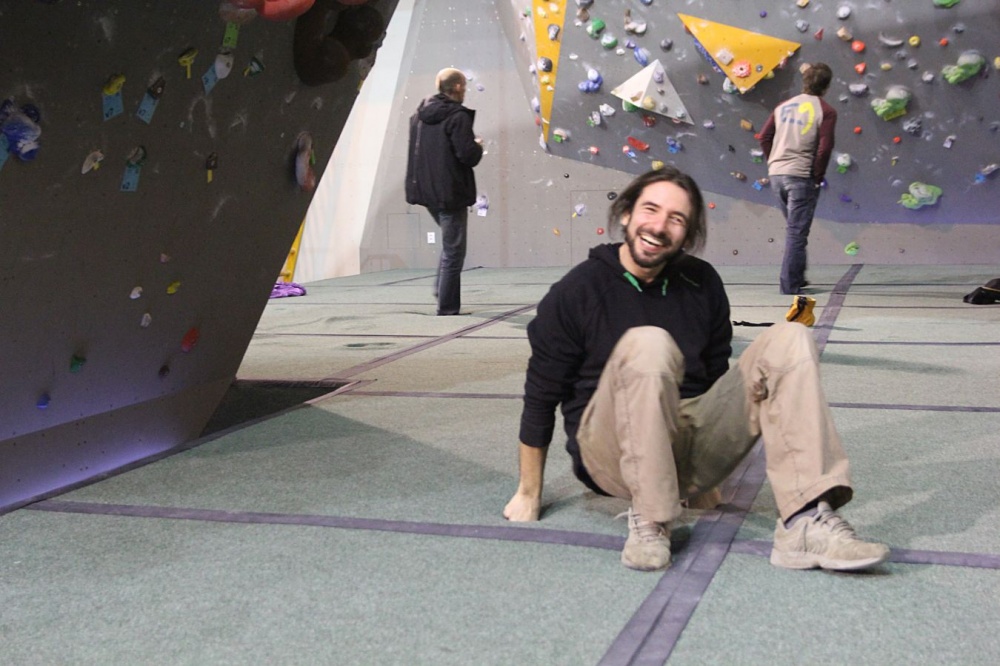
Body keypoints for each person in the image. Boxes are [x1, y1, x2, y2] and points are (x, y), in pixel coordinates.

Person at [503, 167, 889, 573]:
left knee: (791, 338)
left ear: (687, 235)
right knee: (649, 343)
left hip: (686, 441)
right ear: (626, 215)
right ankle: (651, 517)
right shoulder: (577, 290)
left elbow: (714, 382)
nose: (659, 226)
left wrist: (707, 478)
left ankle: (805, 520)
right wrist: (529, 492)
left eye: (676, 219)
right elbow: (541, 395)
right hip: (610, 452)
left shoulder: (702, 282)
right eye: (650, 209)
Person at [405, 67, 483, 316]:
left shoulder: (418, 116)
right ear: (457, 87)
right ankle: (447, 306)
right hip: (450, 194)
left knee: (450, 245)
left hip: (426, 192)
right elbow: (468, 155)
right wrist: (478, 146)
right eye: (464, 87)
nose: (465, 91)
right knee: (454, 250)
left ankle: (442, 290)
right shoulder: (457, 117)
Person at [758, 62, 837, 296]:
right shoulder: (826, 111)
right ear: (826, 86)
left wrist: (774, 161)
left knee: (796, 229)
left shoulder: (783, 106)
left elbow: (764, 137)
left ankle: (798, 277)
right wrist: (817, 176)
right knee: (796, 232)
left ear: (805, 82)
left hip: (777, 175)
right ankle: (789, 285)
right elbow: (825, 148)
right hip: (801, 176)